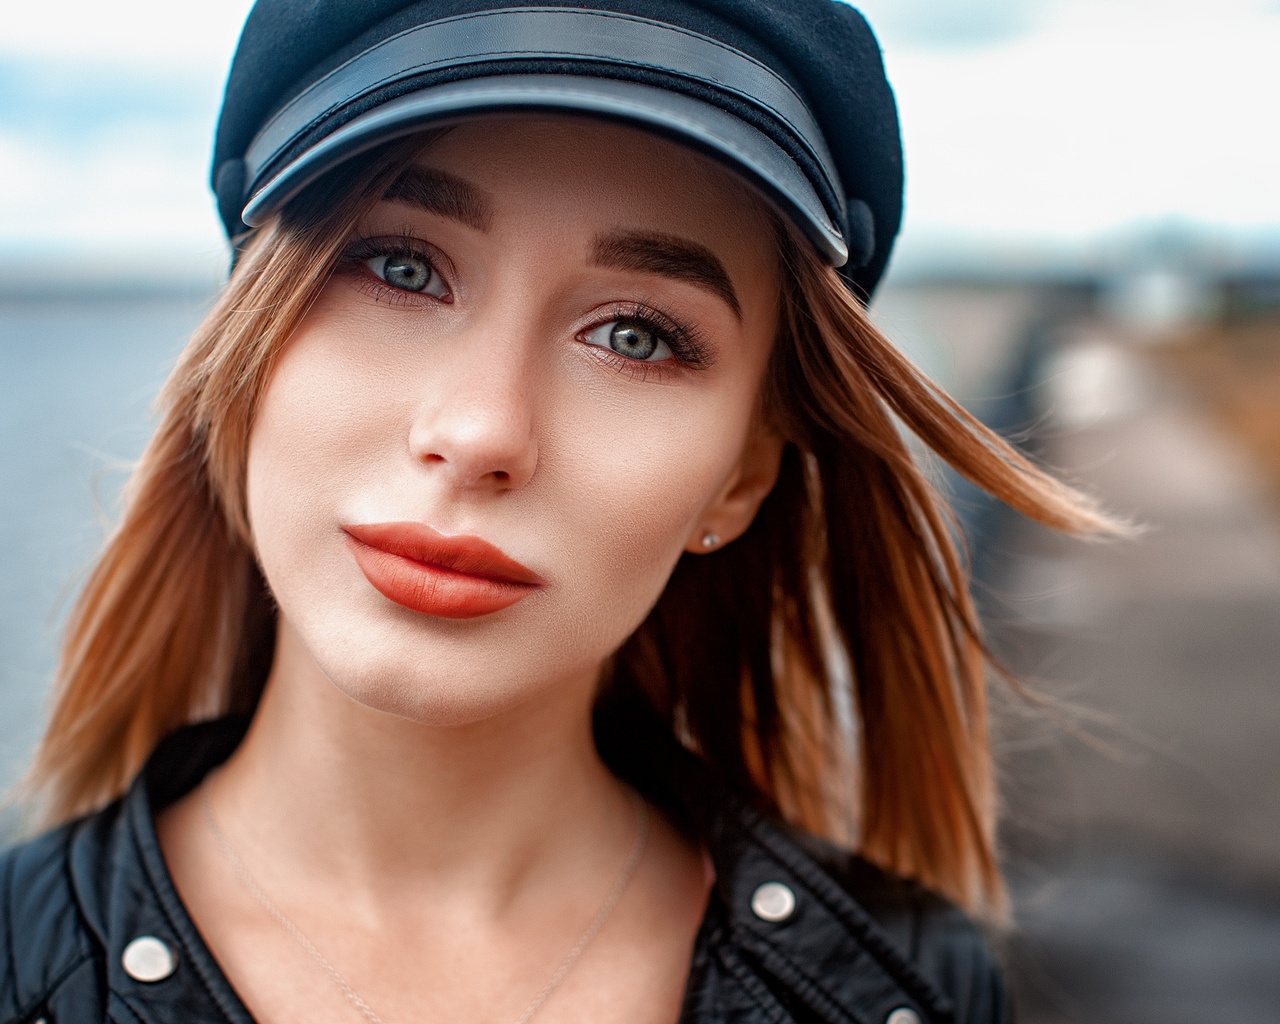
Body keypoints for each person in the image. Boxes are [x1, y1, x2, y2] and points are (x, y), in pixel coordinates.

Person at [0, 3, 1112, 1023]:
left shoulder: (913, 990)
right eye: (398, 266)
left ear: (738, 476)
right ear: (249, 349)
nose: (481, 431)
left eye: (635, 334)